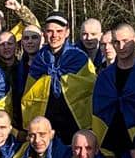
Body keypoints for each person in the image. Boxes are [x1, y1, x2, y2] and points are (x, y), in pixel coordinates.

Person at [21, 13, 96, 144]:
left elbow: (91, 89)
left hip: (75, 122)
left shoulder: (79, 58)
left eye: (59, 31)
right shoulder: (39, 60)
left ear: (67, 32)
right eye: (50, 31)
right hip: (46, 122)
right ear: (45, 33)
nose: (54, 35)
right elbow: (29, 94)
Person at [90, 22, 135, 158]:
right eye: (116, 42)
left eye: (125, 41)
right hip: (112, 146)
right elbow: (98, 112)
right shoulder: (105, 76)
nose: (121, 47)